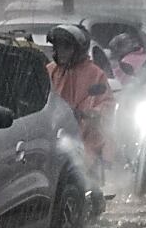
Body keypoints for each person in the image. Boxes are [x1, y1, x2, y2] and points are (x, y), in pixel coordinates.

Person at [47, 23, 113, 176]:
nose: (61, 51)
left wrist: (91, 113)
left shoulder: (95, 74)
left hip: (86, 137)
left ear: (77, 49)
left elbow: (107, 103)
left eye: (66, 47)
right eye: (58, 47)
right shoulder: (50, 70)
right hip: (55, 132)